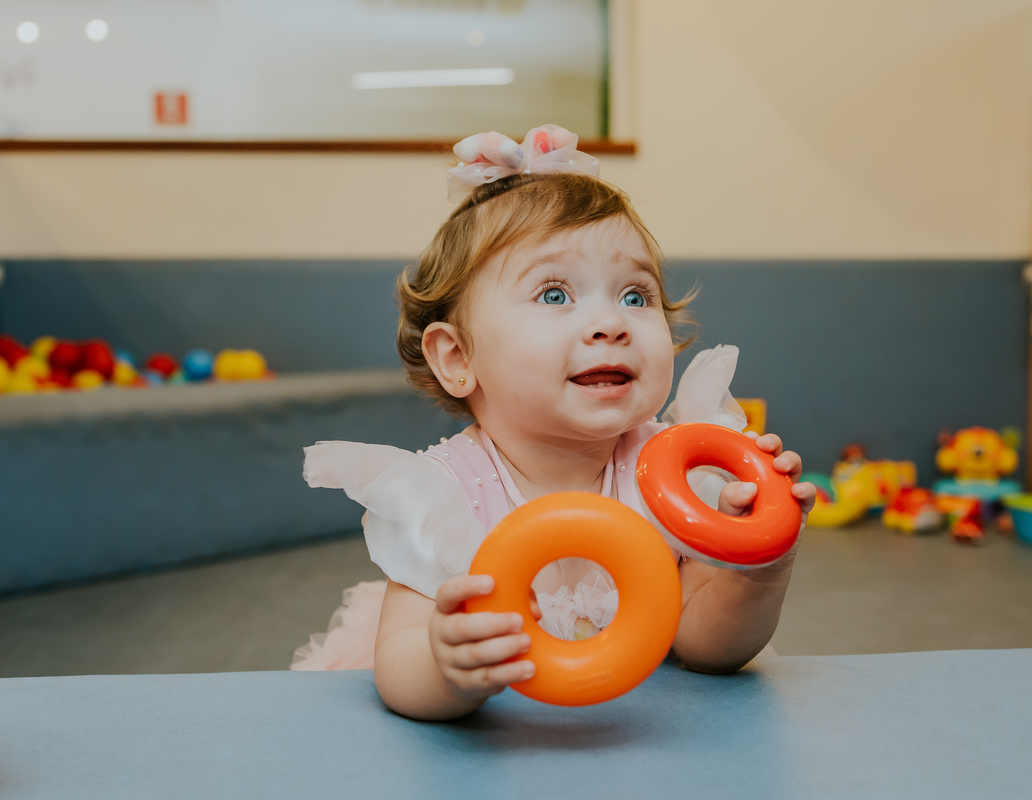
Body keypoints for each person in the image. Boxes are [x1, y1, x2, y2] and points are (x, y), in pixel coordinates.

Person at [293, 124, 816, 720]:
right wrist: (445, 666)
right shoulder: (444, 497)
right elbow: (398, 665)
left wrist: (756, 573)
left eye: (636, 296)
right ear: (458, 358)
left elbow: (704, 647)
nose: (611, 323)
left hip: (648, 735)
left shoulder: (676, 476)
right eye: (553, 294)